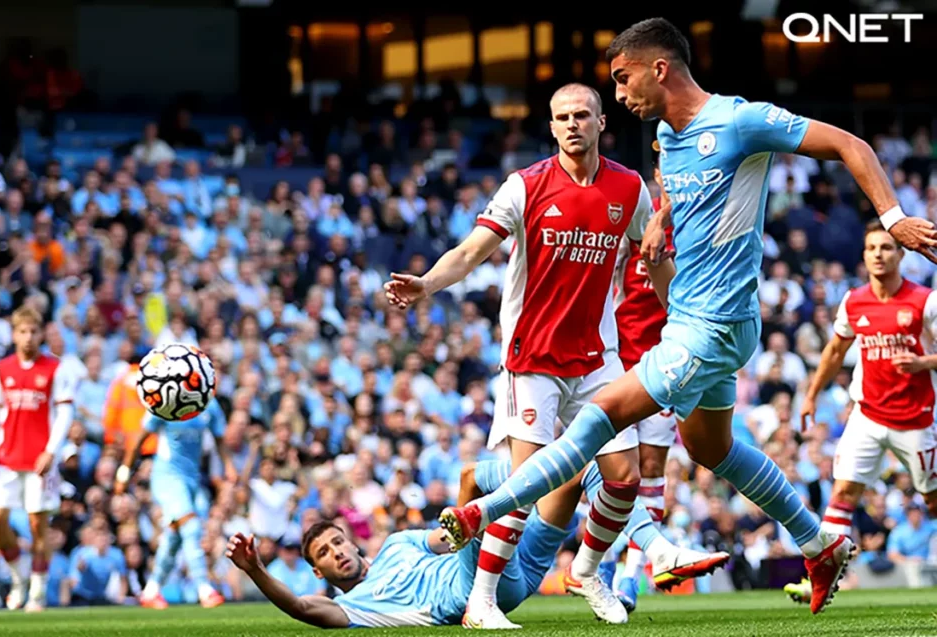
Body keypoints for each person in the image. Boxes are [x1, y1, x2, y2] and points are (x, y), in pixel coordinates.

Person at [436, 17, 937, 616]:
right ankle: (818, 540)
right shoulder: (670, 140)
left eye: (623, 81)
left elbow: (851, 145)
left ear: (660, 68)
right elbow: (683, 190)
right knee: (710, 446)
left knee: (599, 416)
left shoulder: (741, 119)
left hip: (714, 325)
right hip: (692, 322)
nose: (620, 97)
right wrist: (659, 217)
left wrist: (891, 218)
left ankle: (480, 512)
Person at [384, 82, 678, 626]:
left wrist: (678, 315)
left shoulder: (629, 188)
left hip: (596, 357)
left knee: (625, 476)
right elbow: (472, 251)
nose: (572, 124)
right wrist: (426, 285)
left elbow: (654, 260)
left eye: (582, 115)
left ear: (600, 122)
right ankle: (482, 600)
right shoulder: (524, 186)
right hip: (533, 359)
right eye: (562, 117)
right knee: (532, 483)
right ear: (551, 127)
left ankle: (587, 571)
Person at [225, 457, 721, 629]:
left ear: (352, 542)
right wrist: (256, 571)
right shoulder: (355, 606)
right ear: (321, 572)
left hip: (507, 570)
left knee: (583, 470)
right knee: (477, 493)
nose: (336, 553)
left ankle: (593, 567)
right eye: (325, 555)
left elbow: (448, 536)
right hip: (470, 587)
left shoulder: (398, 543)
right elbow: (301, 610)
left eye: (337, 542)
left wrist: (465, 523)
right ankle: (651, 552)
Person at [785, 223, 937, 603]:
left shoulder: (925, 301)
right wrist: (810, 396)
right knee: (842, 493)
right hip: (867, 415)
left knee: (933, 500)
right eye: (871, 247)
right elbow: (835, 351)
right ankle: (823, 578)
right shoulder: (854, 300)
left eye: (886, 247)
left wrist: (923, 362)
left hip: (916, 420)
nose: (878, 254)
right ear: (864, 254)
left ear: (901, 254)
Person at [602, 154, 678, 611]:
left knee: (650, 467)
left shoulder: (701, 226)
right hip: (617, 362)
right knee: (616, 473)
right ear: (658, 175)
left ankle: (632, 575)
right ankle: (604, 556)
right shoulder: (635, 219)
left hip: (668, 364)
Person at [0, 305, 75, 612]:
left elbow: (65, 412)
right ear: (14, 334)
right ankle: (18, 575)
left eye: (34, 331)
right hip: (6, 458)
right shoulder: (2, 369)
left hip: (39, 461)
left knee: (37, 525)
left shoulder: (54, 368)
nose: (28, 337)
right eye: (22, 331)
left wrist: (52, 450)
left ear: (41, 333)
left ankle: (37, 588)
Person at [115, 397, 236, 609]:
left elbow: (219, 438)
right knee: (191, 527)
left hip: (192, 479)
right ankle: (204, 589)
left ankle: (151, 591)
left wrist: (229, 466)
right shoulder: (166, 399)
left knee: (173, 538)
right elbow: (140, 438)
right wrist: (124, 473)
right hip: (167, 476)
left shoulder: (209, 403)